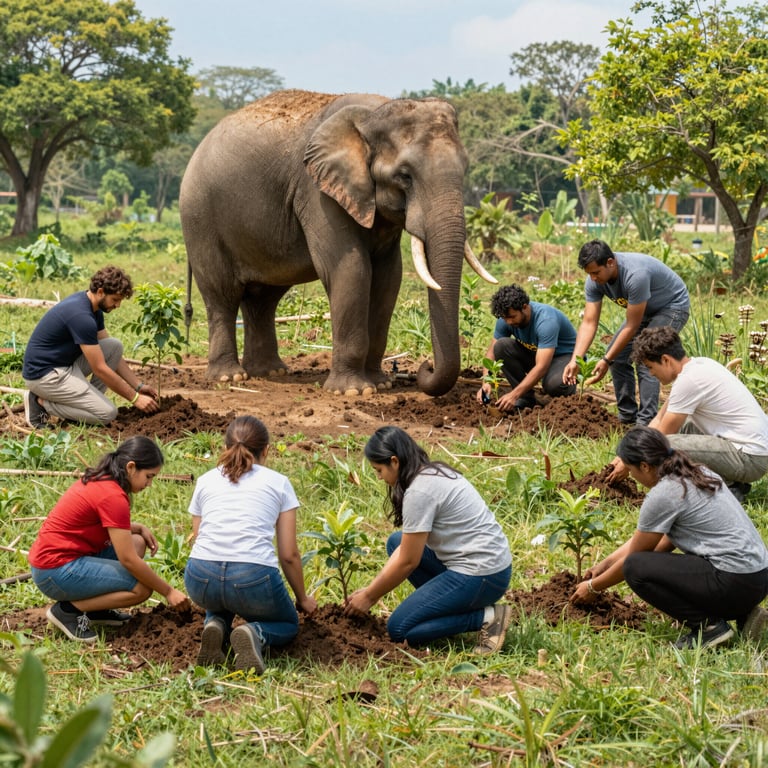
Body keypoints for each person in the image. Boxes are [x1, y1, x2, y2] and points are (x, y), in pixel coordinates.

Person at [571, 426, 768, 649]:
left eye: (630, 470)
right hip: (757, 578)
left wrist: (594, 587)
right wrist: (604, 564)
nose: (633, 478)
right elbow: (659, 542)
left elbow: (636, 557)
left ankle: (709, 628)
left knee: (635, 568)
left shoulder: (665, 493)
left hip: (733, 580)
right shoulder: (697, 472)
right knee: (645, 563)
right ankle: (743, 613)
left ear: (644, 466)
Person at [344, 426, 513, 654]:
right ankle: (447, 608)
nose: (380, 478)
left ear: (394, 461)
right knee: (396, 542)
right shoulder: (432, 471)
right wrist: (373, 587)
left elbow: (408, 561)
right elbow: (405, 551)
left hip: (483, 574)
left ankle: (487, 618)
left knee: (400, 629)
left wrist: (369, 596)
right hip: (487, 565)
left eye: (379, 470)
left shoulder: (419, 492)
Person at [184, 415, 318, 673]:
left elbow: (199, 538)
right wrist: (302, 598)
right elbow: (289, 554)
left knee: (220, 599)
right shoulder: (279, 483)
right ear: (266, 450)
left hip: (200, 577)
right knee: (288, 623)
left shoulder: (205, 480)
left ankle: (216, 626)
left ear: (224, 448)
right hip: (252, 578)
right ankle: (253, 633)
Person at [28, 437, 190, 643]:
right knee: (142, 588)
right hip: (55, 571)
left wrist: (137, 527)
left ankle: (96, 610)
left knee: (138, 541)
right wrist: (169, 591)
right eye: (149, 476)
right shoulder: (113, 496)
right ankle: (67, 611)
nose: (149, 484)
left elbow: (99, 524)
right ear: (131, 467)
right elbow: (128, 560)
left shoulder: (102, 479)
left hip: (62, 560)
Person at [607, 326, 768, 500]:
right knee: (683, 427)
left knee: (666, 445)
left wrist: (629, 461)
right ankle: (724, 482)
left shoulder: (689, 381)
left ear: (666, 360)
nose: (651, 374)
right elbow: (660, 419)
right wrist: (624, 455)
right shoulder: (699, 365)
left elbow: (661, 436)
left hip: (750, 458)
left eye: (650, 367)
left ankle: (726, 488)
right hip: (746, 449)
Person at [563, 240, 690, 425]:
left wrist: (606, 359)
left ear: (610, 262)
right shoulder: (594, 281)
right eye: (589, 274)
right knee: (619, 357)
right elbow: (589, 322)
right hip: (643, 310)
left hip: (671, 306)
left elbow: (632, 325)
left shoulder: (635, 275)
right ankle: (627, 417)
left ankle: (646, 421)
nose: (593, 278)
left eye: (596, 273)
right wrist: (576, 359)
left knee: (648, 358)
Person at [22, 265, 159, 428]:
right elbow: (100, 368)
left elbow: (110, 354)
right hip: (45, 376)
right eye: (115, 300)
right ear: (100, 292)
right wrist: (135, 398)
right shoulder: (82, 317)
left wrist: (138, 385)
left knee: (114, 346)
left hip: (64, 365)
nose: (117, 306)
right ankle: (40, 402)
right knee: (107, 414)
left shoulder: (93, 308)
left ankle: (85, 408)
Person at [476, 283, 577, 411]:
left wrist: (513, 395)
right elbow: (490, 355)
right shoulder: (506, 319)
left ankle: (570, 398)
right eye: (505, 318)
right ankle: (526, 398)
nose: (509, 322)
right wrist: (486, 382)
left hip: (564, 358)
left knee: (553, 385)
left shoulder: (545, 321)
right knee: (501, 346)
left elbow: (541, 367)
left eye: (512, 317)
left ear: (524, 307)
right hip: (538, 353)